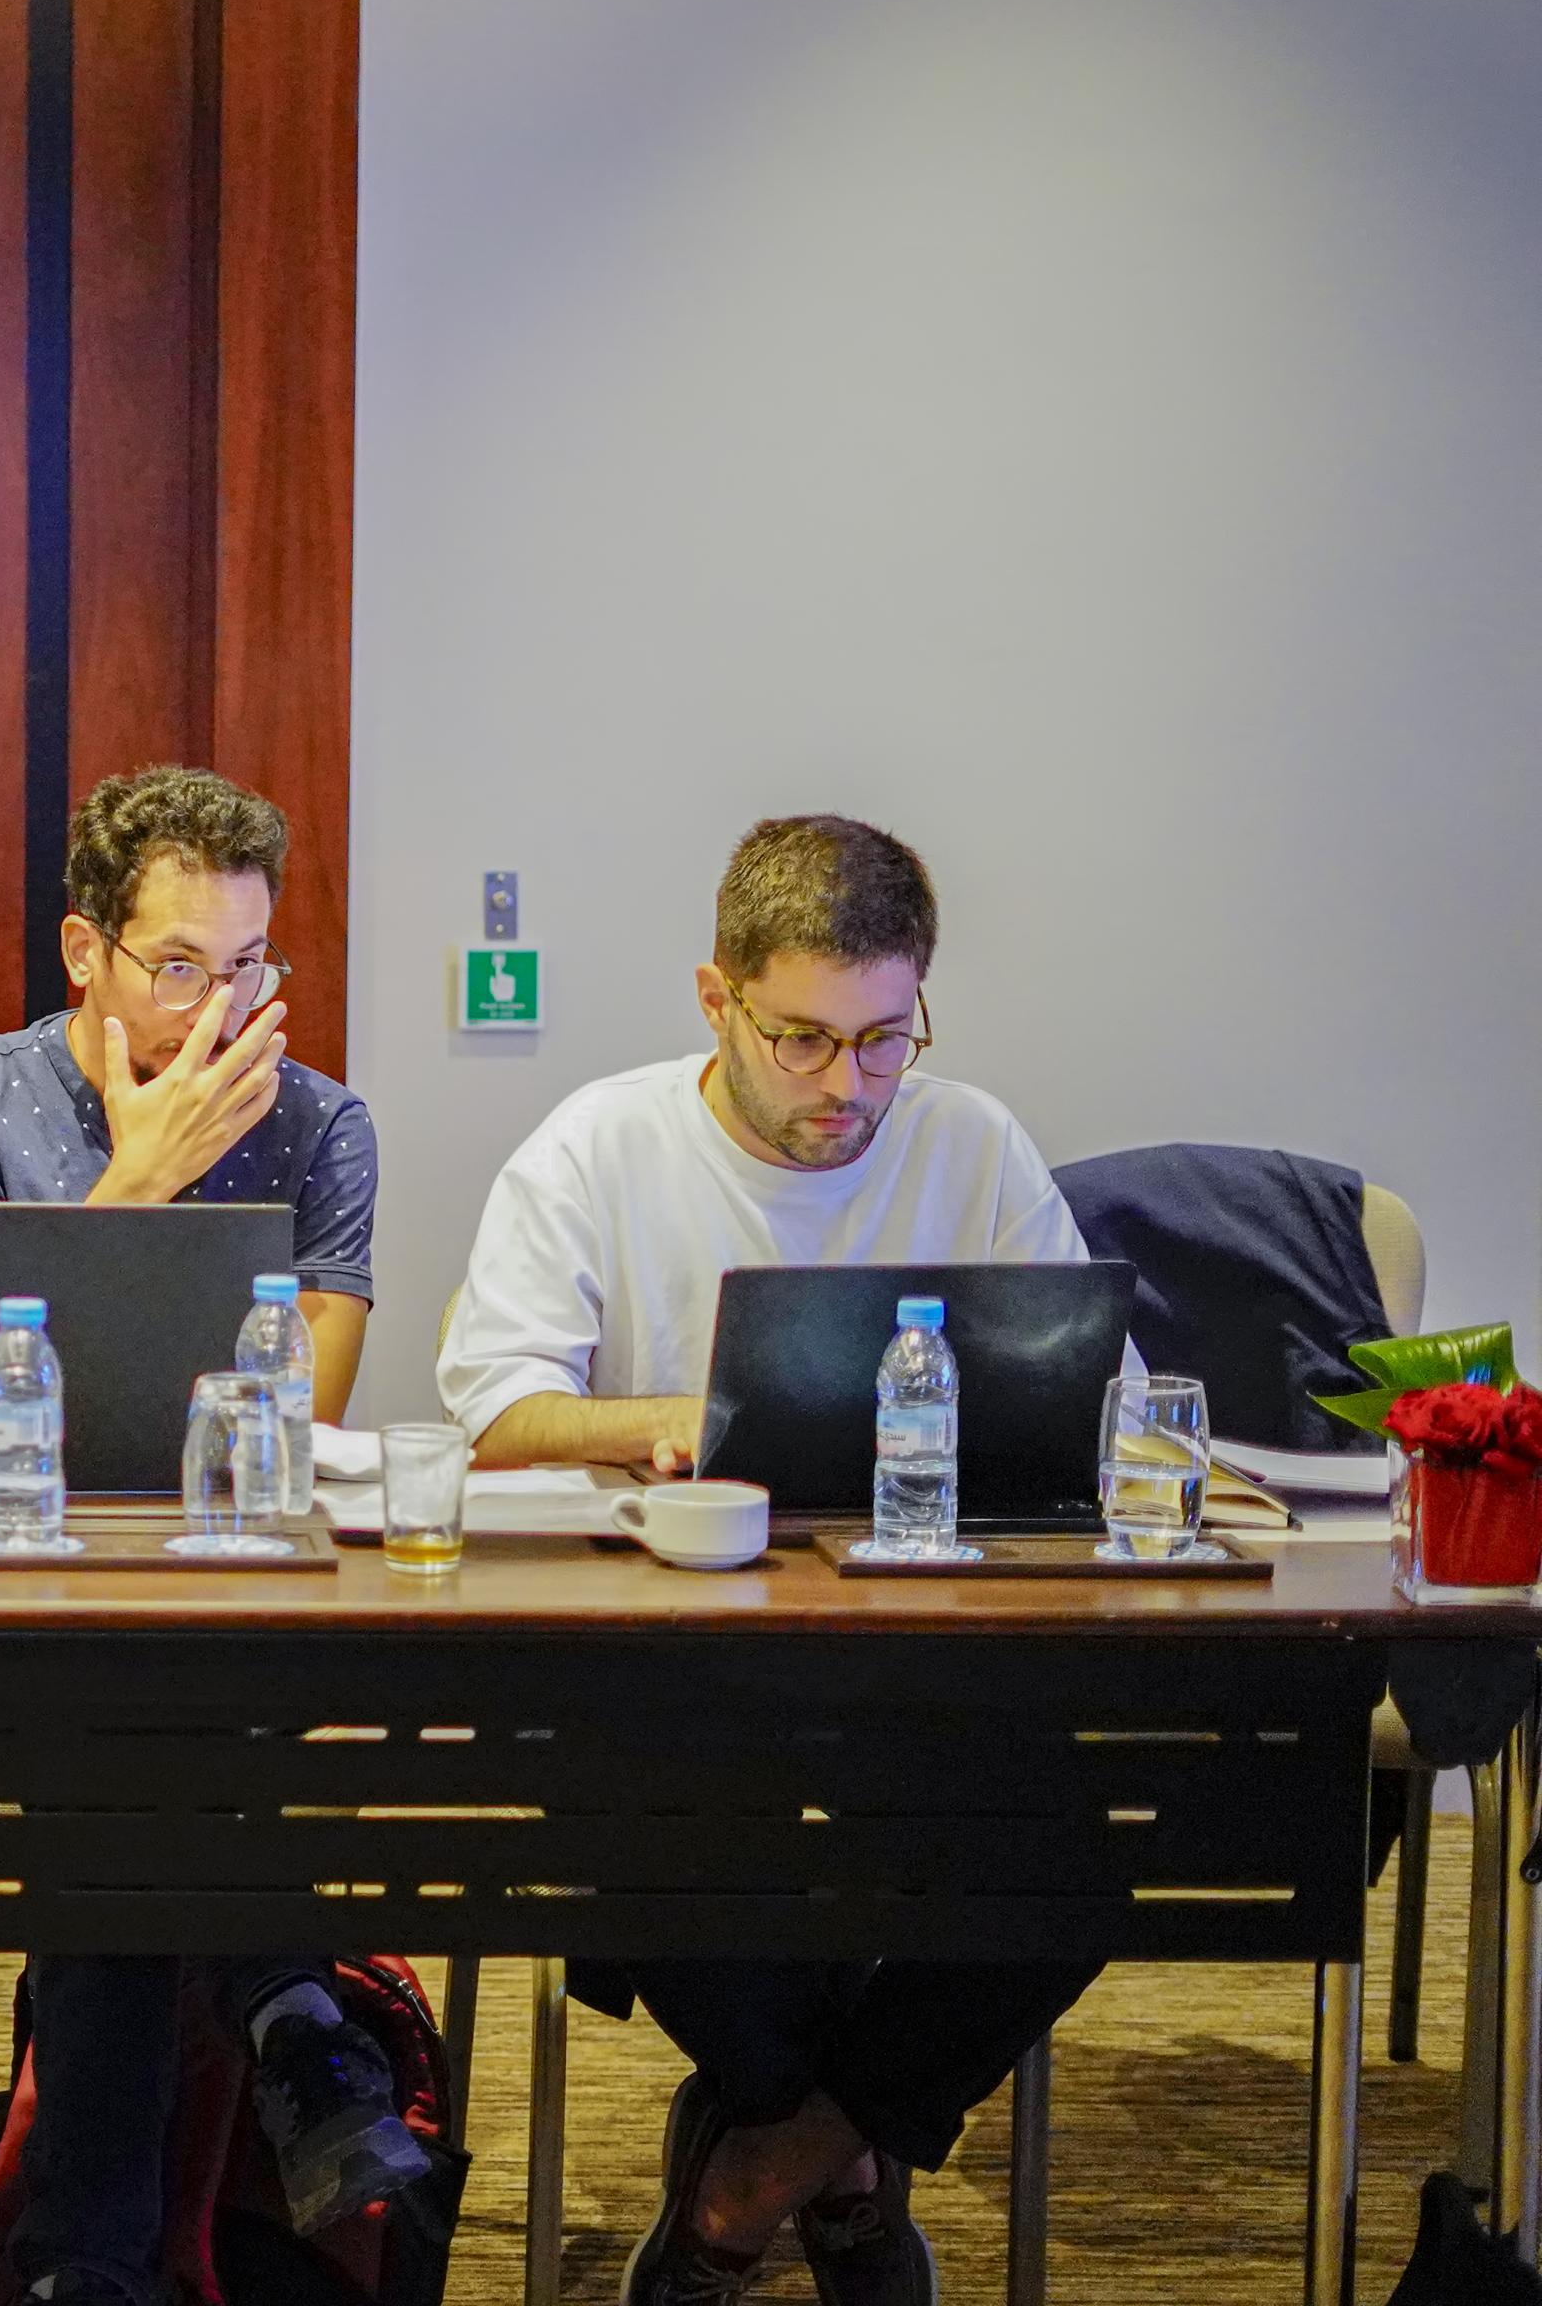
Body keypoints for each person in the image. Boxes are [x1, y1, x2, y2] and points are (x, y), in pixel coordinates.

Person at [437, 813, 1099, 2306]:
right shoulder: (601, 1145)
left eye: (884, 1040)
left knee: (1094, 1835)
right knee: (638, 1809)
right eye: (801, 1039)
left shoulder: (969, 1140)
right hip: (671, 1663)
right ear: (712, 998)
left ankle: (759, 2168)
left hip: (931, 1655)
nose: (847, 1087)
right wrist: (664, 1418)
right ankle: (847, 2176)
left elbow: (1094, 1394)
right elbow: (490, 1410)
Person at [0, 764, 412, 2304]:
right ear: (83, 953)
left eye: (250, 967)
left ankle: (84, 2268)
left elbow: (295, 1411)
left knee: (124, 1763)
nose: (216, 1007)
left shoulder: (321, 1126)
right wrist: (144, 1181)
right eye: (178, 965)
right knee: (122, 1734)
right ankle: (297, 2019)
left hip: (222, 1617)